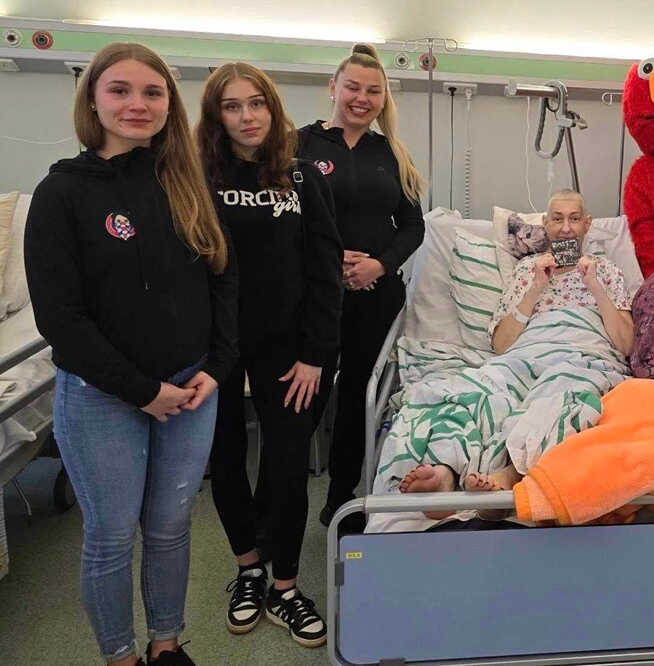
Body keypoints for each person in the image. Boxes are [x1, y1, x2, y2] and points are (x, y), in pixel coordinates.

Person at [25, 42, 237, 666]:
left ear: (170, 105)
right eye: (119, 90)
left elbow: (223, 278)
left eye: (153, 92)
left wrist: (216, 368)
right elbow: (60, 320)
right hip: (102, 397)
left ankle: (166, 645)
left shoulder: (186, 184)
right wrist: (143, 392)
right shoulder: (62, 193)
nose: (136, 104)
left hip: (191, 388)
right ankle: (120, 657)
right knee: (112, 536)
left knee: (171, 527)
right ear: (92, 100)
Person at [196, 62, 342, 649]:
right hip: (215, 348)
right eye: (232, 106)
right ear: (216, 115)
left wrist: (316, 353)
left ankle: (285, 585)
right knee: (226, 457)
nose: (247, 116)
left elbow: (325, 269)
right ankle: (248, 572)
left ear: (272, 108)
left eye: (256, 103)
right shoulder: (195, 178)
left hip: (289, 349)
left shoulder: (302, 177)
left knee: (285, 465)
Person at [395, 189, 633, 519]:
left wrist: (594, 286)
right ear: (546, 224)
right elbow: (502, 345)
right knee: (471, 392)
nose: (566, 228)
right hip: (523, 356)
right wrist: (536, 287)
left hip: (580, 356)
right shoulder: (526, 271)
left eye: (574, 219)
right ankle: (444, 472)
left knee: (561, 396)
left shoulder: (605, 270)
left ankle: (509, 476)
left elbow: (625, 344)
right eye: (558, 219)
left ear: (587, 225)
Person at [297, 42, 426, 527]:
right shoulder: (297, 147)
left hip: (375, 297)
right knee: (303, 399)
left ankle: (340, 498)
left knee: (357, 397)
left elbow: (412, 225)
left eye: (373, 91)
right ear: (333, 87)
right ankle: (278, 503)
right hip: (313, 297)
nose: (362, 98)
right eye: (352, 87)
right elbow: (282, 223)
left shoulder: (391, 153)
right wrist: (327, 263)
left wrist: (381, 265)